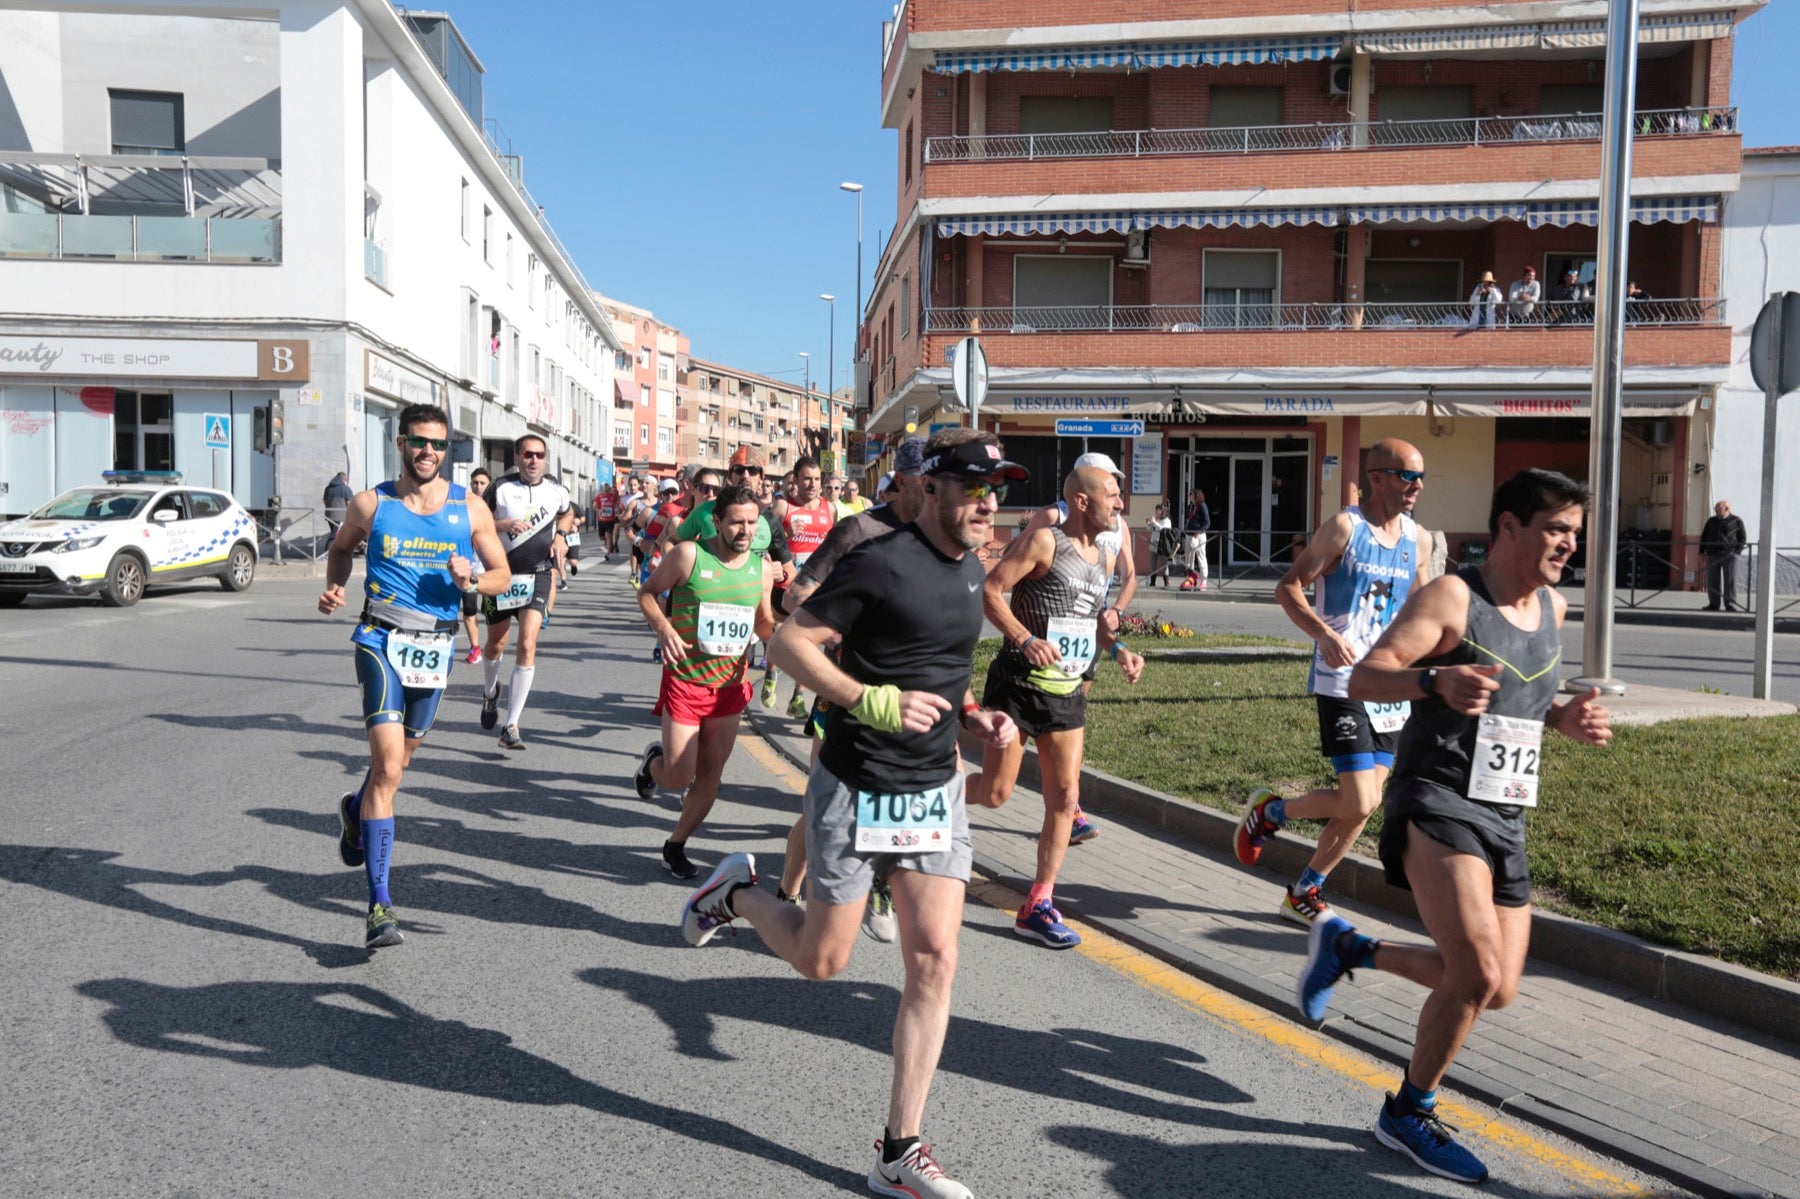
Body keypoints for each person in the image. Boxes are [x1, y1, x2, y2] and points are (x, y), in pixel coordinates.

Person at [677, 428, 1022, 1199]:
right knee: (822, 960)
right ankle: (735, 893)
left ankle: (900, 1147)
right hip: (858, 781)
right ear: (929, 488)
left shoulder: (971, 569)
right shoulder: (880, 559)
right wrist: (867, 699)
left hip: (933, 786)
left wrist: (974, 715)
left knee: (934, 956)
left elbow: (938, 667)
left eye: (994, 489)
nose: (986, 503)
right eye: (972, 487)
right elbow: (791, 646)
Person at [1300, 468, 1612, 1185]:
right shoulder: (1453, 598)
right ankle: (1408, 1111)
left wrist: (1562, 717)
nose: (1570, 544)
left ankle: (1350, 947)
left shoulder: (1554, 610)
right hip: (1438, 799)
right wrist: (1432, 681)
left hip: (1506, 811)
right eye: (1556, 529)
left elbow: (1525, 701)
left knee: (1495, 987)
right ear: (1508, 526)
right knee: (1475, 971)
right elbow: (1365, 675)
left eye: (1574, 531)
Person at [318, 404, 510, 948]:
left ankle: (355, 812)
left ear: (447, 450)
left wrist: (472, 576)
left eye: (439, 445)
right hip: (379, 639)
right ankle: (379, 905)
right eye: (419, 442)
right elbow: (340, 552)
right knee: (387, 767)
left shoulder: (468, 508)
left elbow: (501, 575)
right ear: (402, 443)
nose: (429, 452)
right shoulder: (370, 503)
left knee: (398, 765)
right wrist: (336, 586)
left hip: (434, 645)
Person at [1237, 440, 1431, 925]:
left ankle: (1304, 891)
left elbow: (1425, 608)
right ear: (1379, 478)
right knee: (1360, 797)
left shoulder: (1419, 539)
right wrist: (1323, 634)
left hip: (1391, 689)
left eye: (1421, 476)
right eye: (1409, 476)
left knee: (1363, 806)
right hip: (1342, 681)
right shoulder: (1345, 528)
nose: (1418, 486)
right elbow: (1288, 586)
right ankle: (1270, 813)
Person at [972, 466, 1146, 949]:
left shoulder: (1104, 558)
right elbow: (991, 591)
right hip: (1018, 684)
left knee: (1065, 800)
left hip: (1066, 691)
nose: (1120, 504)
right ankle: (934, 803)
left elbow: (1092, 623)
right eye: (1112, 496)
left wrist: (1118, 651)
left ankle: (1038, 904)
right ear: (1084, 502)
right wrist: (1025, 638)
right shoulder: (1046, 542)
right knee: (994, 793)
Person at [771, 436, 930, 935]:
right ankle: (783, 893)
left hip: (910, 698)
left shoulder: (939, 536)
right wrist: (840, 627)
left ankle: (879, 882)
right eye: (929, 482)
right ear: (902, 481)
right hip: (847, 689)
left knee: (898, 793)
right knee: (822, 802)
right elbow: (793, 598)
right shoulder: (859, 529)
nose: (938, 492)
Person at [634, 483, 778, 879]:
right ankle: (653, 765)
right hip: (686, 679)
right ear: (716, 521)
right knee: (679, 775)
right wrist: (663, 628)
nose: (745, 531)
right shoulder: (689, 555)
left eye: (752, 522)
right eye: (735, 523)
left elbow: (764, 621)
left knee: (711, 774)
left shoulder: (761, 569)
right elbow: (647, 593)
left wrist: (782, 643)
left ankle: (675, 844)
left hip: (729, 686)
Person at [1007, 449, 1139, 843]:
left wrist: (1116, 611)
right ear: (1083, 488)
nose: (1117, 496)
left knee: (1071, 716)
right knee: (999, 785)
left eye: (1116, 481)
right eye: (1108, 482)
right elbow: (1019, 574)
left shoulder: (1118, 526)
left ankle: (1069, 806)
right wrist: (1025, 635)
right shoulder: (1052, 519)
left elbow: (1129, 575)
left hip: (1087, 633)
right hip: (1035, 652)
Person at [478, 435, 573, 750]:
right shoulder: (499, 488)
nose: (534, 460)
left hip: (538, 575)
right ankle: (491, 692)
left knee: (528, 642)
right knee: (496, 643)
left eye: (540, 455)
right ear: (518, 457)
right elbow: (475, 521)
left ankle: (511, 724)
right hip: (502, 576)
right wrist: (503, 525)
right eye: (528, 454)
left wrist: (561, 535)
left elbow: (567, 511)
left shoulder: (555, 488)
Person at [764, 456, 835, 717]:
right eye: (807, 478)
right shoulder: (783, 508)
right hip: (785, 584)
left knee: (809, 641)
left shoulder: (830, 509)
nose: (812, 484)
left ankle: (798, 697)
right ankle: (771, 675)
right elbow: (765, 539)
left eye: (817, 479)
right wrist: (787, 535)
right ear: (796, 479)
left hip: (815, 586)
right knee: (779, 633)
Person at [459, 468, 493, 663]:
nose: (478, 486)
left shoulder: (495, 506)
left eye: (482, 483)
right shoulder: (464, 506)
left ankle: (493, 644)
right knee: (469, 609)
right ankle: (475, 647)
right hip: (469, 568)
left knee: (491, 613)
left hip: (489, 569)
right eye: (475, 483)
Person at [1700, 499, 1747, 612]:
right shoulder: (1711, 521)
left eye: (1718, 509)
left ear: (1726, 509)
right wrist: (1702, 551)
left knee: (1730, 581)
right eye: (1715, 509)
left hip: (1730, 555)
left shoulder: (1736, 521)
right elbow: (1704, 536)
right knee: (1712, 580)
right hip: (1713, 554)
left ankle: (1730, 604)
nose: (1715, 511)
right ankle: (1713, 604)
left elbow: (1742, 537)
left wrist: (1737, 552)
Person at [1180, 487, 1211, 590]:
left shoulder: (1202, 506)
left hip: (1198, 536)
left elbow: (1207, 522)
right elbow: (1190, 518)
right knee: (1189, 558)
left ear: (1196, 496)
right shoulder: (1190, 506)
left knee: (1201, 557)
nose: (1189, 496)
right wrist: (1186, 526)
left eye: (1191, 494)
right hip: (1189, 535)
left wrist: (1199, 532)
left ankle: (1204, 580)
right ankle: (1190, 579)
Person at [1147, 502, 1177, 587]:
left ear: (1163, 511)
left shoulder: (1167, 521)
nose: (1156, 512)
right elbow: (1149, 529)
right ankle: (1152, 582)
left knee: (1164, 564)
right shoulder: (1156, 519)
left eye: (1158, 510)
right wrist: (1149, 524)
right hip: (1153, 544)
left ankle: (1166, 582)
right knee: (1153, 564)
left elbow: (1164, 530)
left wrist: (1155, 523)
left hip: (1162, 545)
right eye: (1156, 510)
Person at [322, 470, 354, 541]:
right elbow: (350, 503)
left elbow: (324, 501)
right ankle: (328, 550)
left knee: (338, 535)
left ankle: (337, 551)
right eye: (346, 480)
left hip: (329, 516)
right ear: (344, 479)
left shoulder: (328, 488)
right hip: (340, 517)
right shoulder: (345, 489)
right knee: (334, 535)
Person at [594, 481, 619, 561]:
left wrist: (617, 508)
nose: (606, 491)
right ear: (603, 490)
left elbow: (618, 503)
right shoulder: (599, 497)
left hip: (610, 520)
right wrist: (599, 510)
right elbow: (594, 506)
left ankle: (608, 553)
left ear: (609, 489)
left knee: (608, 535)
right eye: (605, 489)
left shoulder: (613, 496)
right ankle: (607, 542)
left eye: (608, 489)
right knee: (602, 537)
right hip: (601, 520)